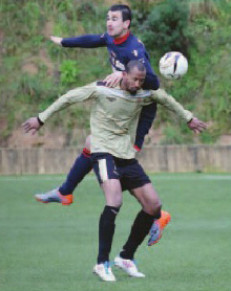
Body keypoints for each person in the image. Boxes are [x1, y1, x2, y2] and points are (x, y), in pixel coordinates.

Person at [22, 60, 207, 282]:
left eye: (141, 80)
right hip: (102, 151)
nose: (137, 84)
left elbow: (166, 99)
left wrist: (189, 118)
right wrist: (41, 119)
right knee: (114, 200)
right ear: (124, 75)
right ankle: (102, 263)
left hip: (126, 155)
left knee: (153, 205)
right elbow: (69, 97)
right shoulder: (102, 88)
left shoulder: (144, 93)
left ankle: (126, 256)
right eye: (134, 79)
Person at [39, 4, 160, 211]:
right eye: (108, 18)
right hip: (122, 103)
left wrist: (122, 75)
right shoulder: (112, 38)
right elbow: (94, 40)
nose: (109, 22)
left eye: (114, 19)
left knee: (114, 164)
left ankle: (157, 214)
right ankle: (65, 191)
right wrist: (64, 42)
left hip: (136, 108)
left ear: (126, 23)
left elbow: (154, 84)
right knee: (93, 144)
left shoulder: (134, 50)